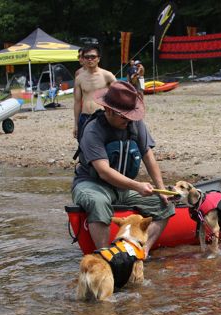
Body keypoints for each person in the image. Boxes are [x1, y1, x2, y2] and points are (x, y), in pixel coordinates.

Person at [71, 81, 174, 256]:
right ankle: (105, 257)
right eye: (124, 117)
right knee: (98, 202)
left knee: (164, 205)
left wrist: (161, 188)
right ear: (109, 110)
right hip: (92, 184)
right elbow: (103, 171)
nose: (129, 121)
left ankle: (141, 252)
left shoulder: (135, 124)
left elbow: (148, 156)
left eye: (131, 116)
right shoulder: (93, 130)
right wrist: (138, 186)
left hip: (124, 187)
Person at [73, 46, 116, 139]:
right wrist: (75, 124)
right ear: (83, 59)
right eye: (87, 57)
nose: (90, 59)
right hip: (85, 117)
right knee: (84, 147)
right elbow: (77, 102)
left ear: (98, 59)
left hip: (103, 116)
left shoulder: (107, 75)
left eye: (93, 57)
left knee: (104, 144)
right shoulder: (79, 78)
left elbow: (118, 96)